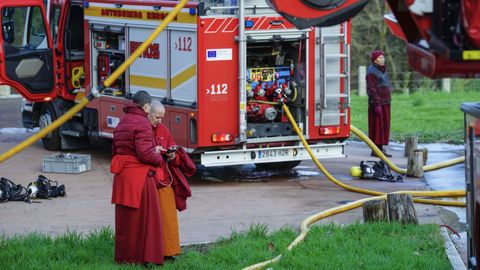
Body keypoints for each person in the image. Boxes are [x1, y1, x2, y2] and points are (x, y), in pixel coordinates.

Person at [110, 91, 165, 265]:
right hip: (139, 178)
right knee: (146, 219)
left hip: (122, 177)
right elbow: (144, 154)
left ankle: (125, 257)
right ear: (146, 106)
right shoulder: (142, 122)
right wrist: (159, 159)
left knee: (126, 220)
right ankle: (144, 257)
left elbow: (117, 150)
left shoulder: (122, 121)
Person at [147, 99, 195, 261]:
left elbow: (173, 151)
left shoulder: (164, 130)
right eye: (156, 117)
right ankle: (151, 253)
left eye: (161, 118)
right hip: (148, 179)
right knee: (151, 218)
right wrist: (153, 151)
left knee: (168, 217)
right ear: (148, 113)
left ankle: (170, 251)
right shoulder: (142, 129)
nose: (159, 121)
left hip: (165, 179)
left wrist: (172, 155)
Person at [366, 50, 393, 157]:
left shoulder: (382, 70)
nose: (383, 59)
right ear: (375, 60)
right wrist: (376, 104)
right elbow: (372, 89)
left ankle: (380, 148)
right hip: (377, 104)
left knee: (384, 126)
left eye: (383, 57)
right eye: (380, 58)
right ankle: (376, 150)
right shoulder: (371, 72)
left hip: (385, 103)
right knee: (377, 127)